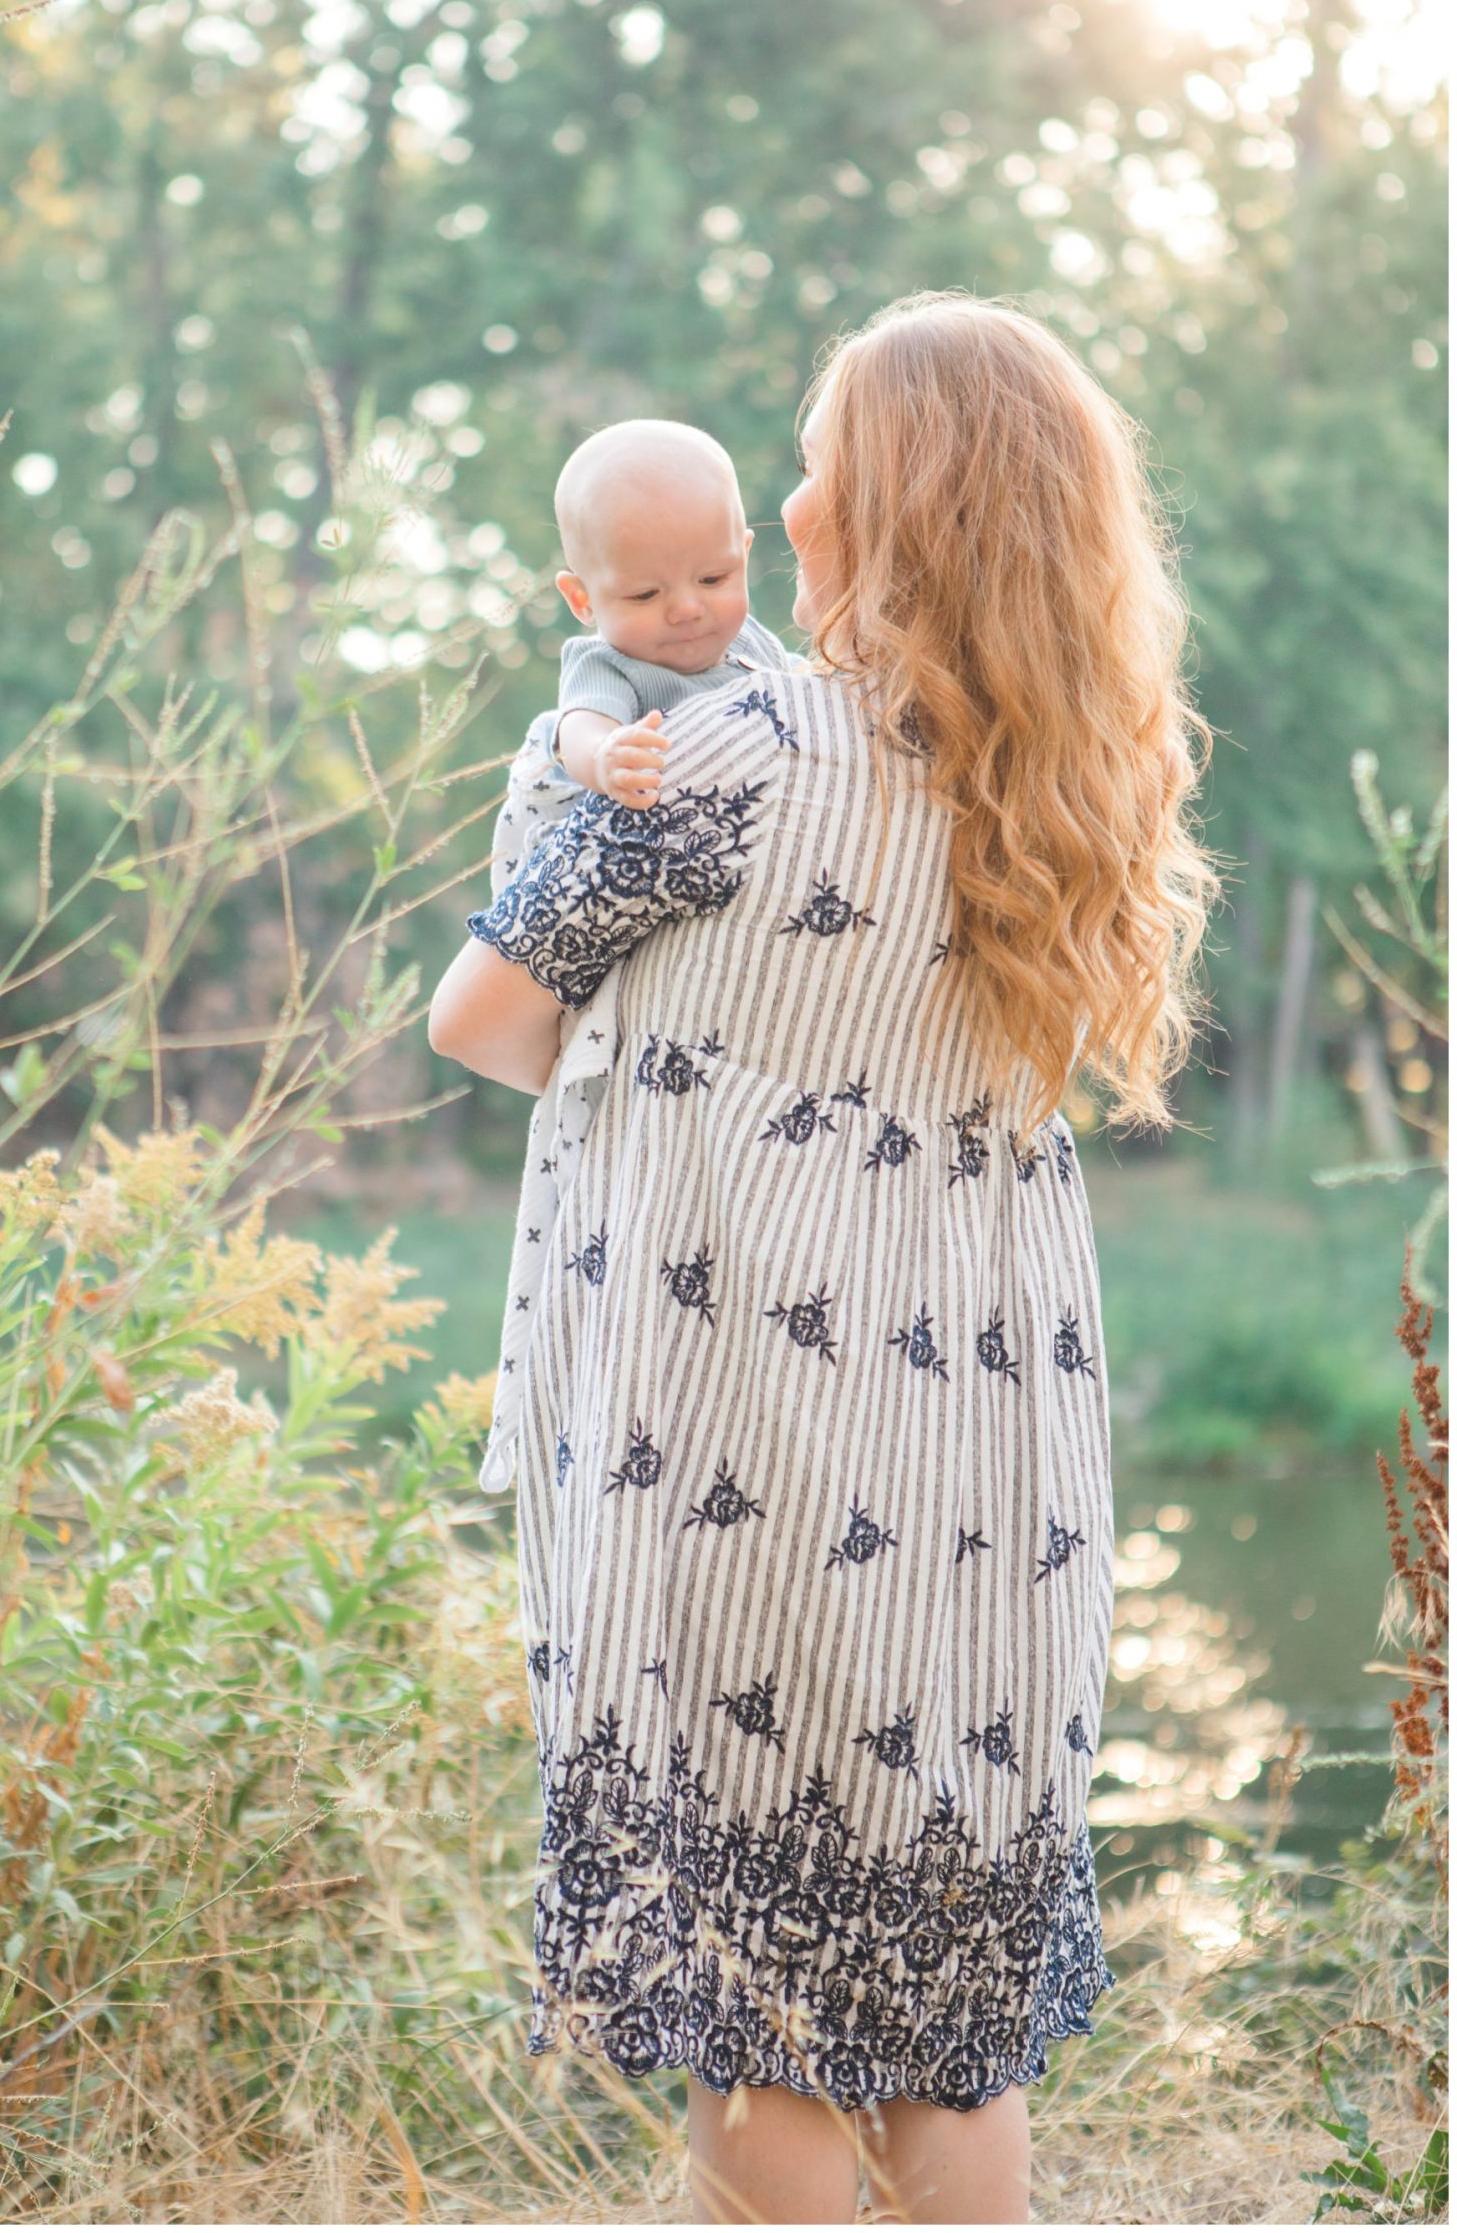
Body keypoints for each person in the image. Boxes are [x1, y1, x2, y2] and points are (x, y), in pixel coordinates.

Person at [429, 291, 1220, 2226]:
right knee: (947, 2029)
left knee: (754, 2002)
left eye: (814, 463)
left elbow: (480, 1019)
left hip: (733, 1452)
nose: (785, 502)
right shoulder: (1066, 783)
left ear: (878, 504)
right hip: (979, 1478)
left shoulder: (721, 746)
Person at [478, 416, 802, 1494]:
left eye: (712, 574)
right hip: (610, 883)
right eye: (644, 593)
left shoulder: (761, 656)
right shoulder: (612, 671)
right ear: (585, 600)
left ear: (746, 549)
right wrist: (606, 758)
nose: (685, 611)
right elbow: (570, 728)